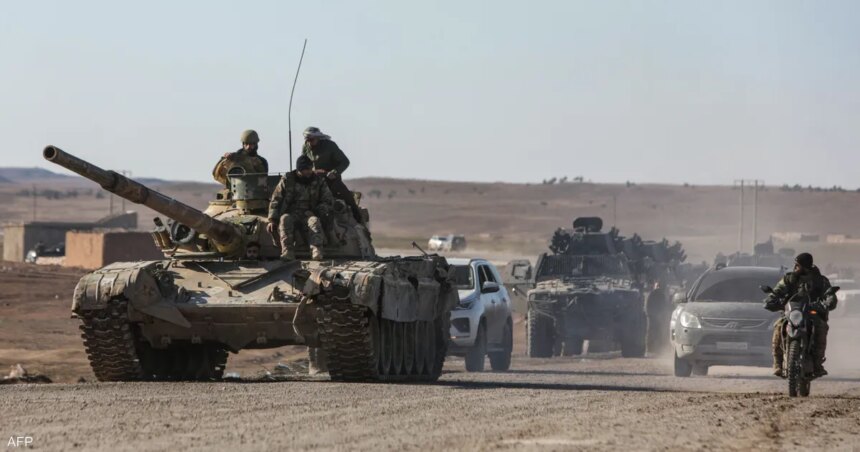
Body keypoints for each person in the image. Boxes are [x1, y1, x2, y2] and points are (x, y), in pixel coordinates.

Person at [766, 252, 836, 377]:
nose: (795, 268)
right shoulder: (789, 279)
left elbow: (829, 294)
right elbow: (777, 291)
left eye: (797, 265)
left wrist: (828, 302)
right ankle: (777, 364)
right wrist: (771, 300)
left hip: (812, 312)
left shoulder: (820, 280)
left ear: (805, 267)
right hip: (791, 312)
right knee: (778, 326)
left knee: (821, 327)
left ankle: (817, 364)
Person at [266, 155, 334, 261]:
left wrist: (316, 211)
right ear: (299, 170)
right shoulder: (288, 179)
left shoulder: (318, 181)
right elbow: (276, 199)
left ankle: (316, 250)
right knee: (285, 219)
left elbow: (328, 200)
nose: (309, 172)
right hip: (291, 213)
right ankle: (287, 251)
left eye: (310, 169)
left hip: (310, 213)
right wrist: (272, 219)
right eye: (306, 169)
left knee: (314, 221)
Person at [301, 127, 362, 223]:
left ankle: (358, 218)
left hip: (331, 179)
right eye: (307, 139)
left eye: (311, 140)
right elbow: (303, 162)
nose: (309, 142)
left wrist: (335, 172)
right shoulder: (306, 147)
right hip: (313, 180)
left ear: (318, 138)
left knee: (347, 197)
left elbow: (345, 161)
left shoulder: (330, 146)